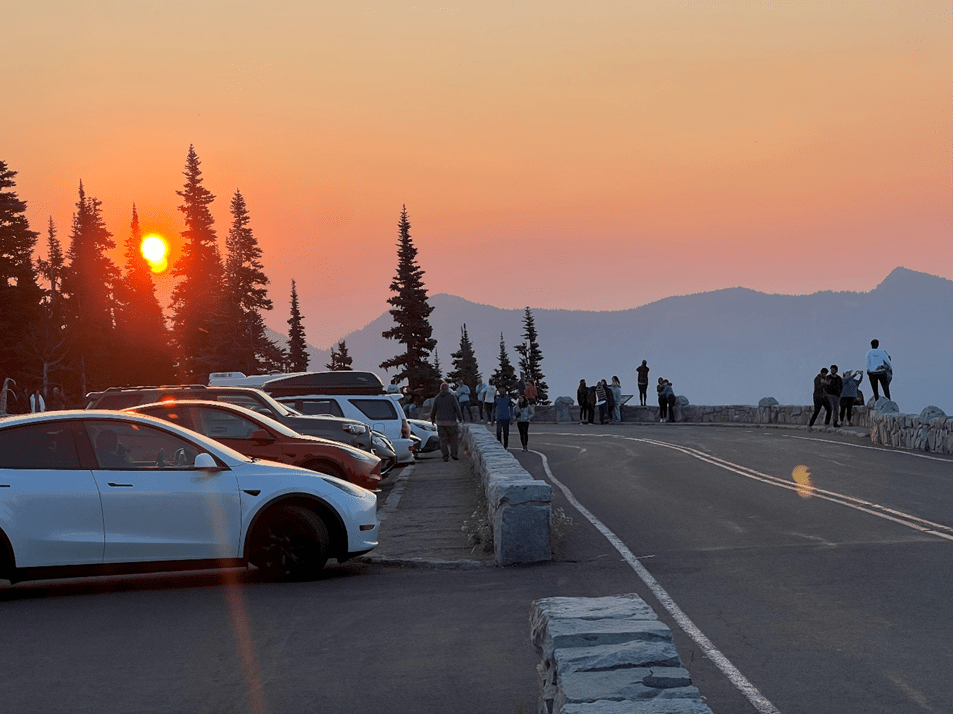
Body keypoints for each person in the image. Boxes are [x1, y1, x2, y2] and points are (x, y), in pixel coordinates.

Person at [429, 382, 463, 461]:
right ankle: (454, 453)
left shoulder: (437, 398)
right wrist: (460, 418)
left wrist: (432, 419)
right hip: (452, 422)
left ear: (440, 389)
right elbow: (457, 408)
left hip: (441, 423)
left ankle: (445, 455)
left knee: (443, 440)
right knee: (453, 439)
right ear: (448, 389)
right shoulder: (452, 397)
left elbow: (433, 410)